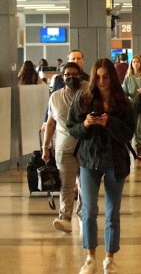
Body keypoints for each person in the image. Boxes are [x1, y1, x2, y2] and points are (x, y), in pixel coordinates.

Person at [67, 58, 135, 274]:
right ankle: (90, 257)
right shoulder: (84, 98)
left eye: (106, 77)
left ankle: (109, 257)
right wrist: (86, 124)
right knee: (88, 211)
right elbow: (72, 128)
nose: (102, 81)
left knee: (113, 212)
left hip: (115, 161)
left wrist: (109, 122)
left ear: (112, 77)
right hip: (89, 160)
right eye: (98, 77)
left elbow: (128, 133)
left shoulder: (123, 101)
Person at [42, 62, 85, 233]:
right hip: (64, 148)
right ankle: (65, 217)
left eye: (75, 74)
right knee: (66, 185)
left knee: (84, 184)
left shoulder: (87, 93)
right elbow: (51, 122)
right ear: (62, 76)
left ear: (80, 75)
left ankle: (83, 214)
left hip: (85, 146)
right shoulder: (55, 97)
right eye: (67, 74)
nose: (71, 77)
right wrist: (46, 146)